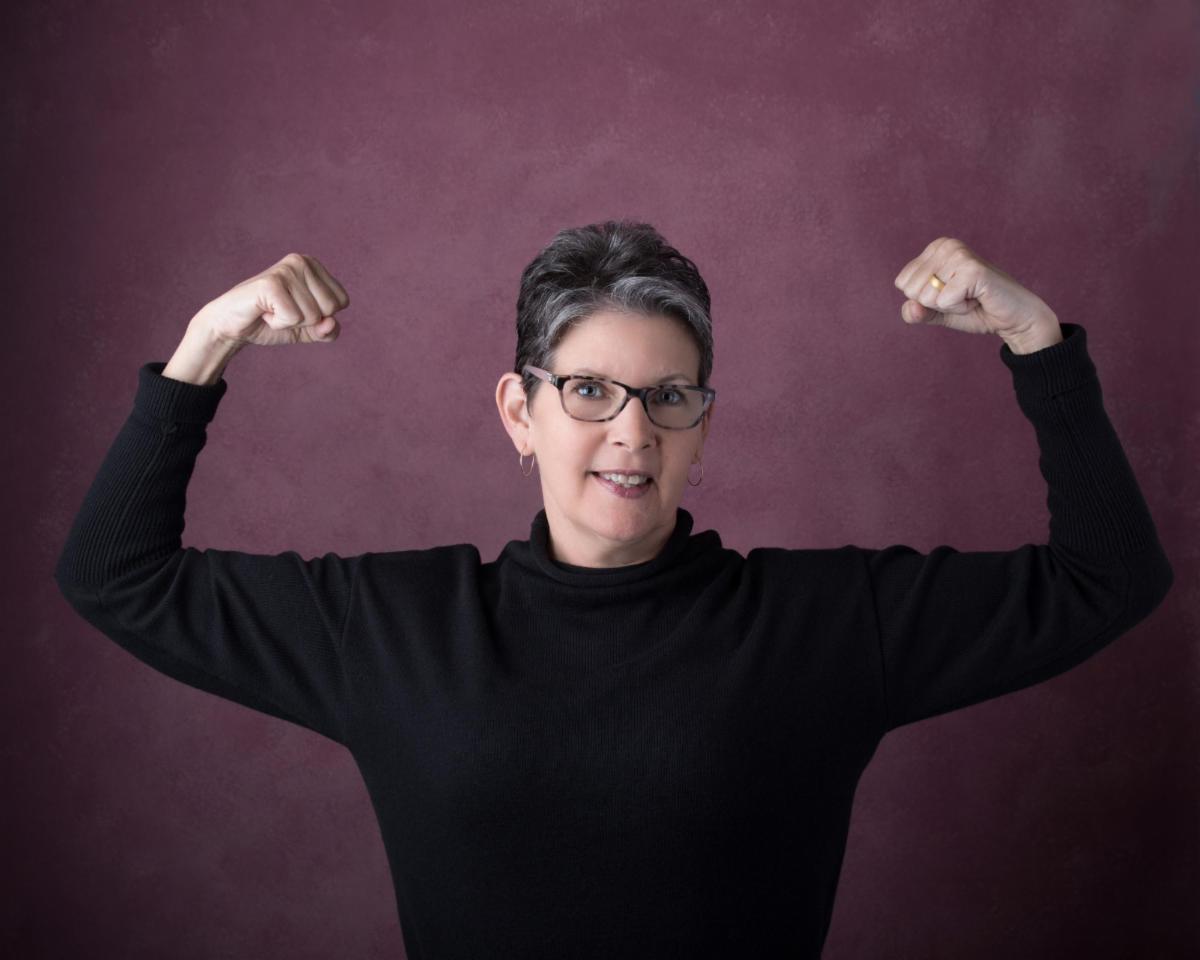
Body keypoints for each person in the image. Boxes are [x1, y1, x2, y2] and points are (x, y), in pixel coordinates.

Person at [53, 220, 1174, 958]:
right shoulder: (394, 629)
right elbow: (114, 573)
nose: (632, 432)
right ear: (519, 413)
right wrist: (204, 347)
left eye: (670, 397)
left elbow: (1110, 576)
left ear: (703, 426)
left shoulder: (824, 627)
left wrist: (1037, 343)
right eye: (588, 390)